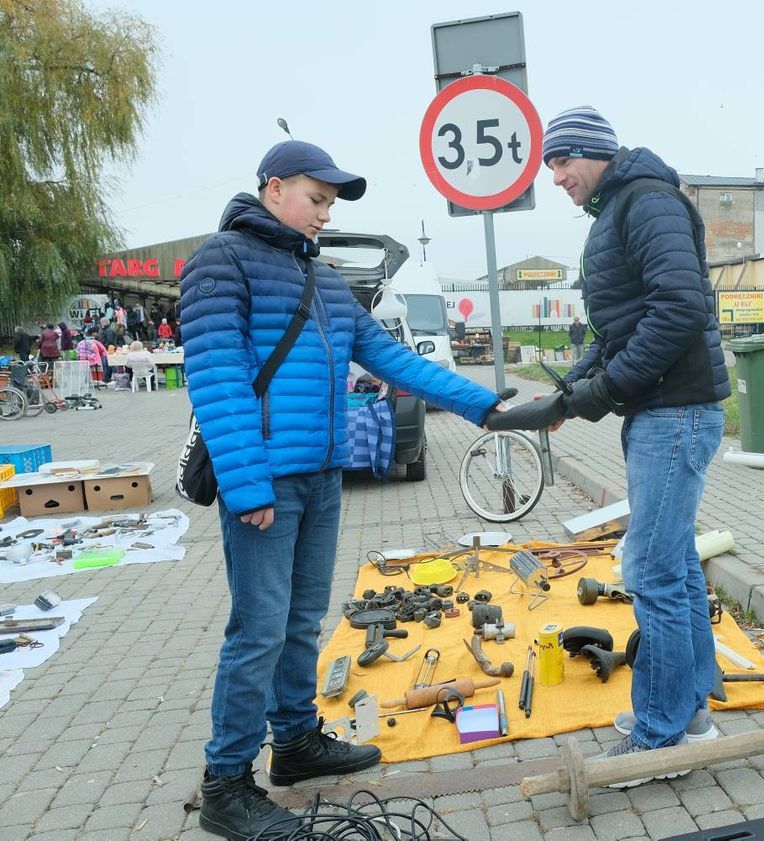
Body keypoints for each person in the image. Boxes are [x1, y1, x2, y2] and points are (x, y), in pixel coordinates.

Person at [180, 138, 504, 841]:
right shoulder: (221, 260)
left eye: (330, 203)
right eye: (316, 198)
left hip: (322, 478)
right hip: (265, 480)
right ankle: (226, 784)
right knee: (258, 629)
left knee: (302, 622)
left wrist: (485, 405)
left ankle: (294, 742)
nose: (325, 213)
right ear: (273, 188)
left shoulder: (320, 277)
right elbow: (215, 377)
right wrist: (246, 483)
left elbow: (387, 354)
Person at [541, 107, 731, 781]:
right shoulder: (617, 209)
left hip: (674, 411)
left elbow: (679, 308)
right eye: (549, 164)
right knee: (674, 566)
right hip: (661, 409)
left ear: (593, 151)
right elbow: (616, 325)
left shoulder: (646, 202)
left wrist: (607, 388)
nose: (556, 175)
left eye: (562, 160)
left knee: (648, 569)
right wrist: (573, 388)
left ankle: (660, 738)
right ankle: (691, 718)